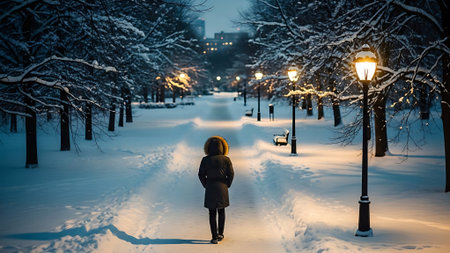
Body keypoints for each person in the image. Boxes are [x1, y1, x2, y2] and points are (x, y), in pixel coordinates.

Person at [198, 136, 234, 244]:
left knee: (212, 212)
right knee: (221, 211)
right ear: (222, 147)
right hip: (222, 186)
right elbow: (231, 173)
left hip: (210, 187)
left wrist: (206, 184)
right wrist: (227, 184)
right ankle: (221, 234)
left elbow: (201, 174)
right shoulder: (226, 159)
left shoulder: (205, 160)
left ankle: (214, 236)